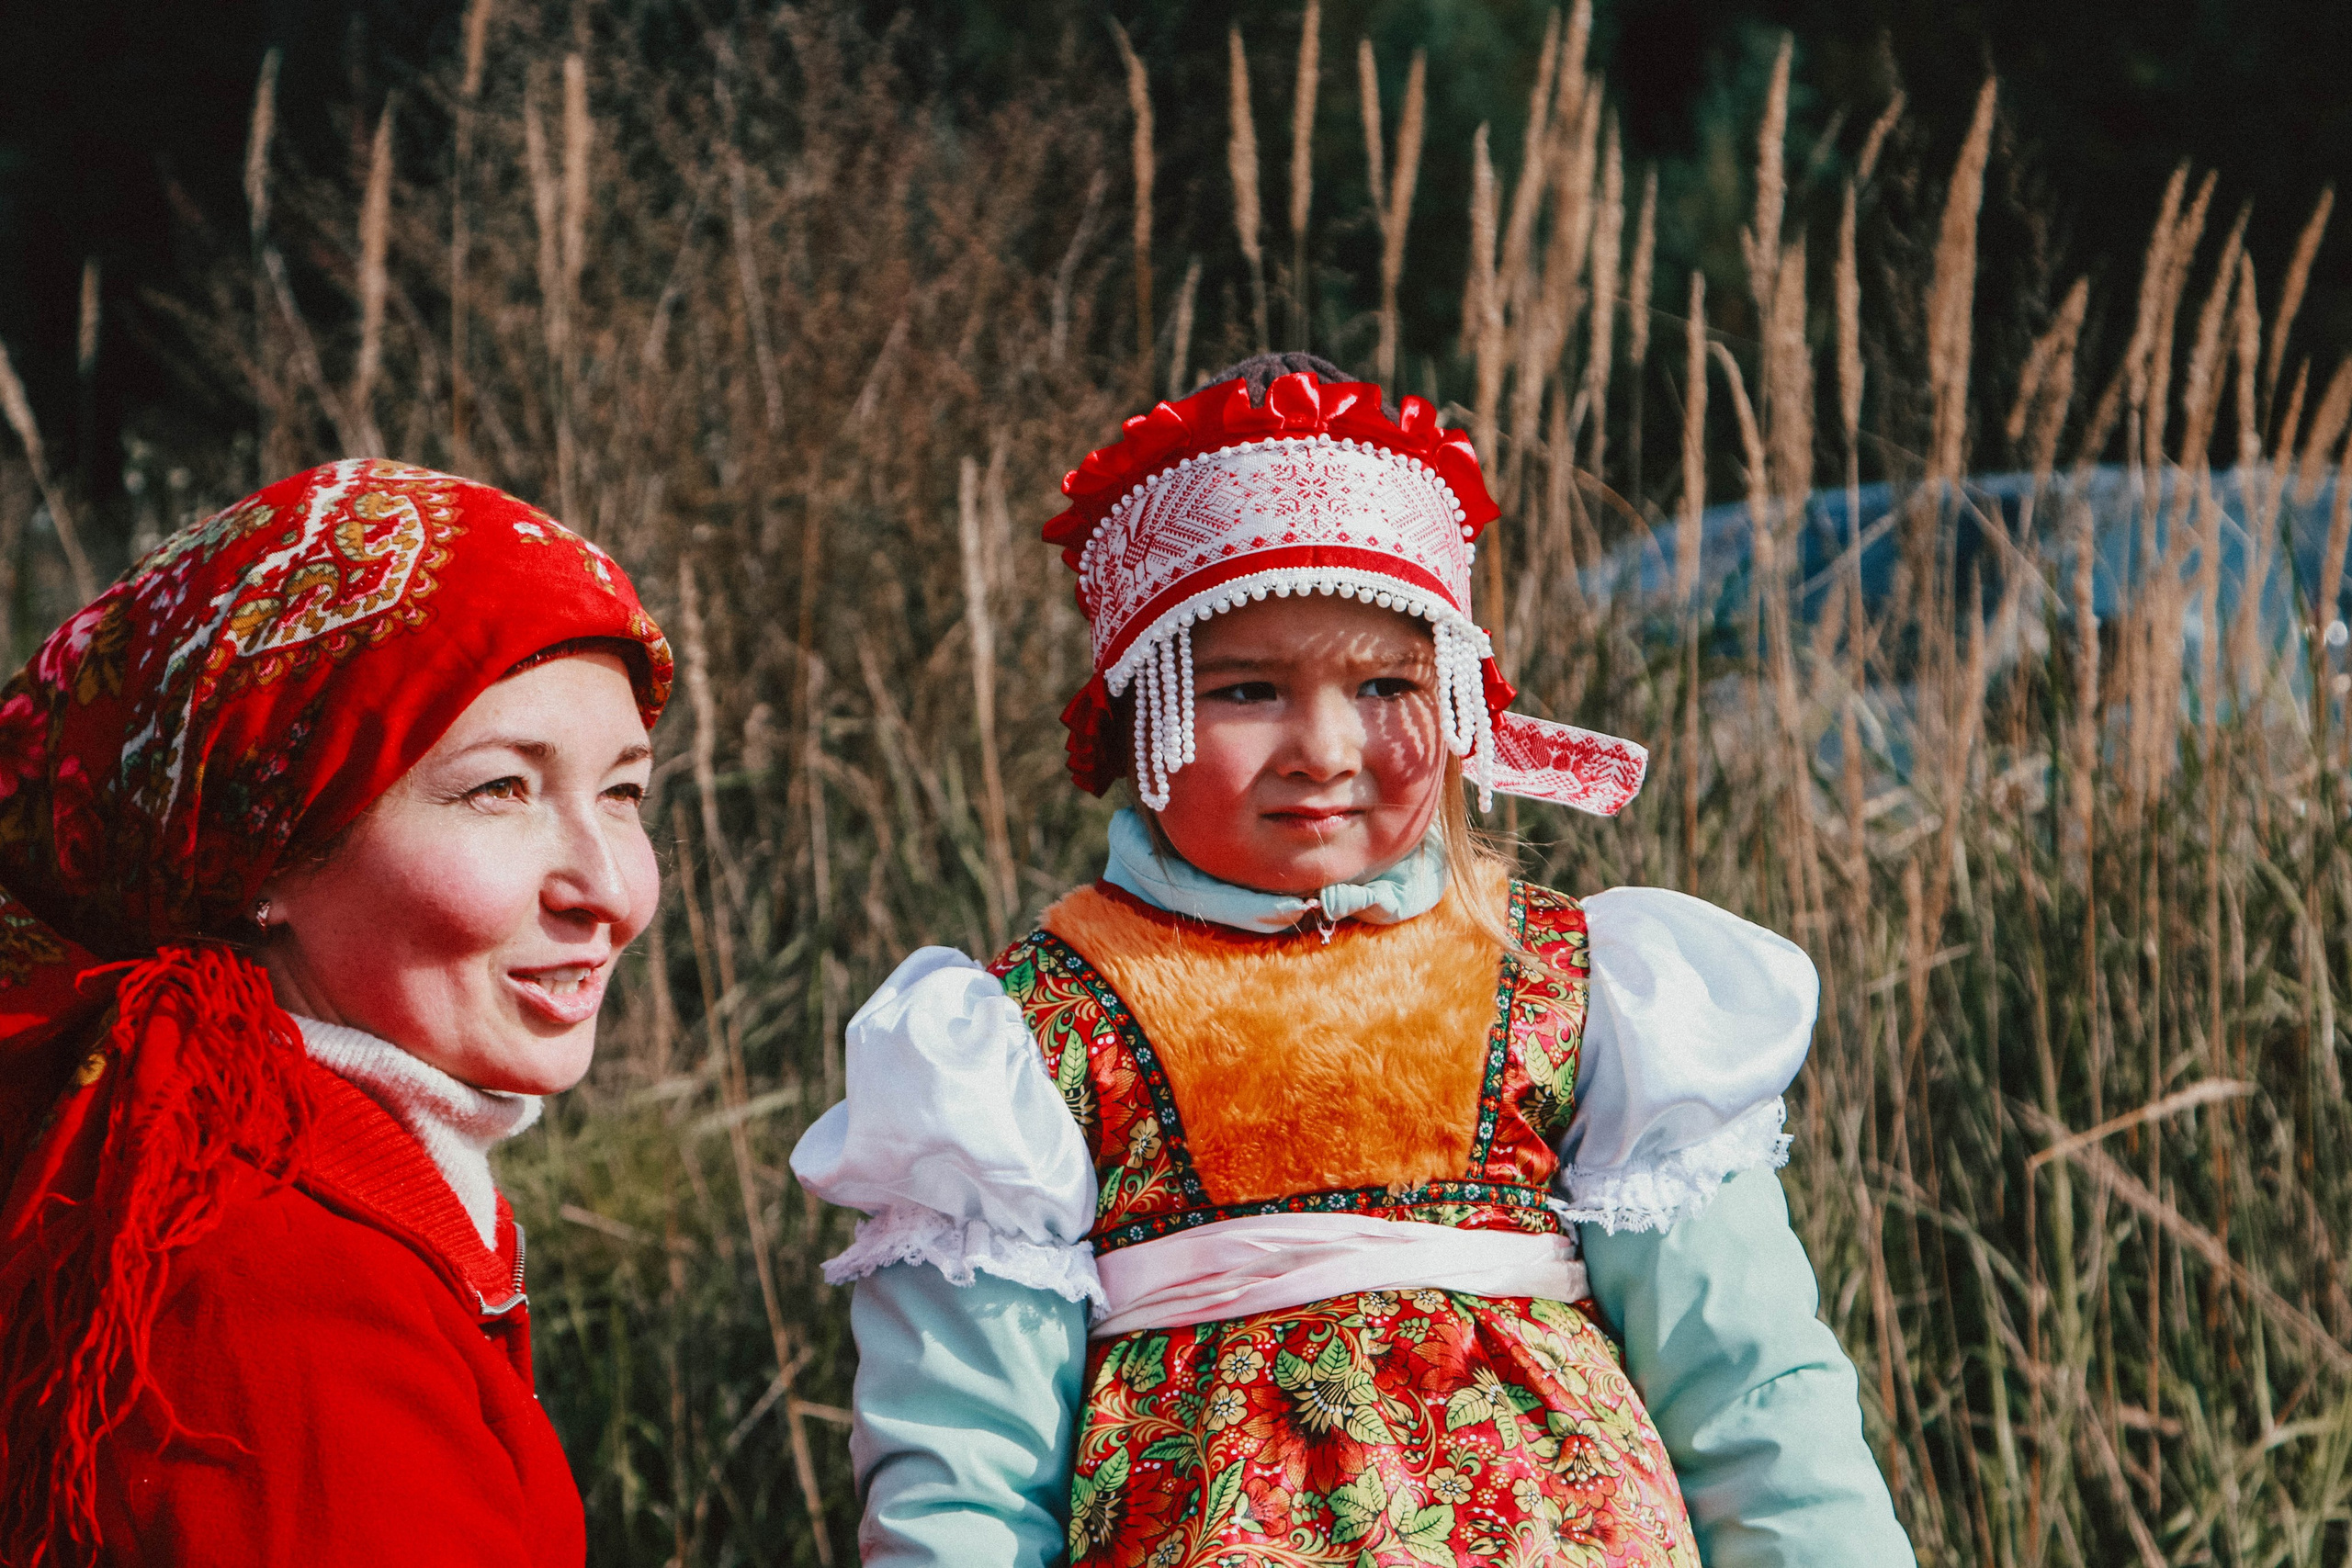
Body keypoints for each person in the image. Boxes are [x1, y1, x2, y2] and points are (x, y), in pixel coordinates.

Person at [792, 356, 1916, 1566]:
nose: (1324, 749)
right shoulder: (1029, 1033)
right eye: (1247, 689)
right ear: (1135, 712)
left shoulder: (1578, 991)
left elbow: (1749, 1383)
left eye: (1386, 684)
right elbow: (965, 1465)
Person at [0, 459, 672, 1566]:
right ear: (262, 847)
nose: (609, 889)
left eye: (623, 792)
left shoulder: (229, 1146)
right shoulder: (283, 1285)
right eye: (499, 789)